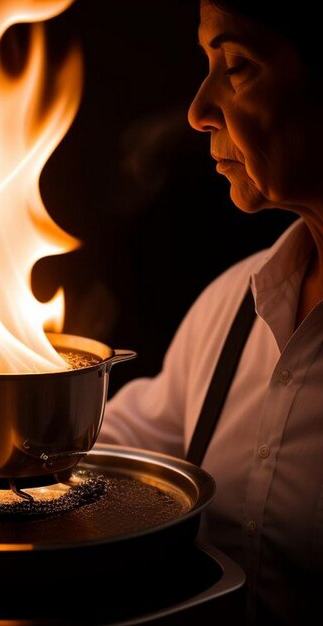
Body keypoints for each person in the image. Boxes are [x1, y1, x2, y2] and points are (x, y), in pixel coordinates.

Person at [98, 1, 323, 624]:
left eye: (238, 65)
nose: (198, 110)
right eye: (206, 65)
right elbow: (117, 455)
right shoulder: (233, 306)